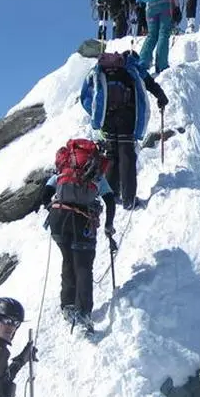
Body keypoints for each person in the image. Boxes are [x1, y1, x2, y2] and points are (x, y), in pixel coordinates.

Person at [36, 140, 117, 331]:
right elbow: (110, 200)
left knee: (68, 260)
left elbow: (45, 194)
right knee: (83, 266)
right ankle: (83, 312)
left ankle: (68, 305)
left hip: (59, 218)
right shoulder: (97, 173)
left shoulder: (64, 169)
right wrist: (108, 226)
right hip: (83, 220)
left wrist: (52, 208)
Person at [80, 51, 169, 210]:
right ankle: (129, 200)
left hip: (107, 118)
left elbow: (85, 94)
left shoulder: (100, 68)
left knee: (112, 155)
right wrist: (161, 96)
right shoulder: (132, 65)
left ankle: (112, 194)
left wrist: (96, 113)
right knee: (126, 155)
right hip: (126, 116)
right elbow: (149, 82)